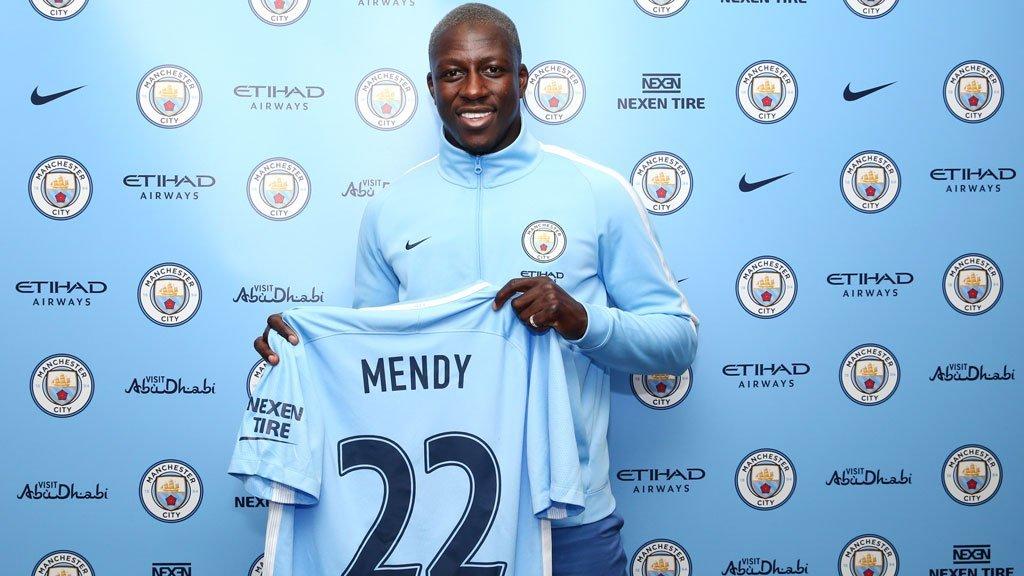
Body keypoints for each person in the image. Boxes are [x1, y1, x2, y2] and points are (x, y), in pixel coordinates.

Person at [255, 4, 698, 575]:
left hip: (568, 520)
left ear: (523, 79)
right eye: (452, 73)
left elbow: (676, 341)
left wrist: (581, 321)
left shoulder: (598, 192)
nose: (471, 89)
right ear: (430, 87)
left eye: (491, 69)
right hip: (434, 524)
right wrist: (303, 356)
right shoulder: (390, 208)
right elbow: (368, 369)